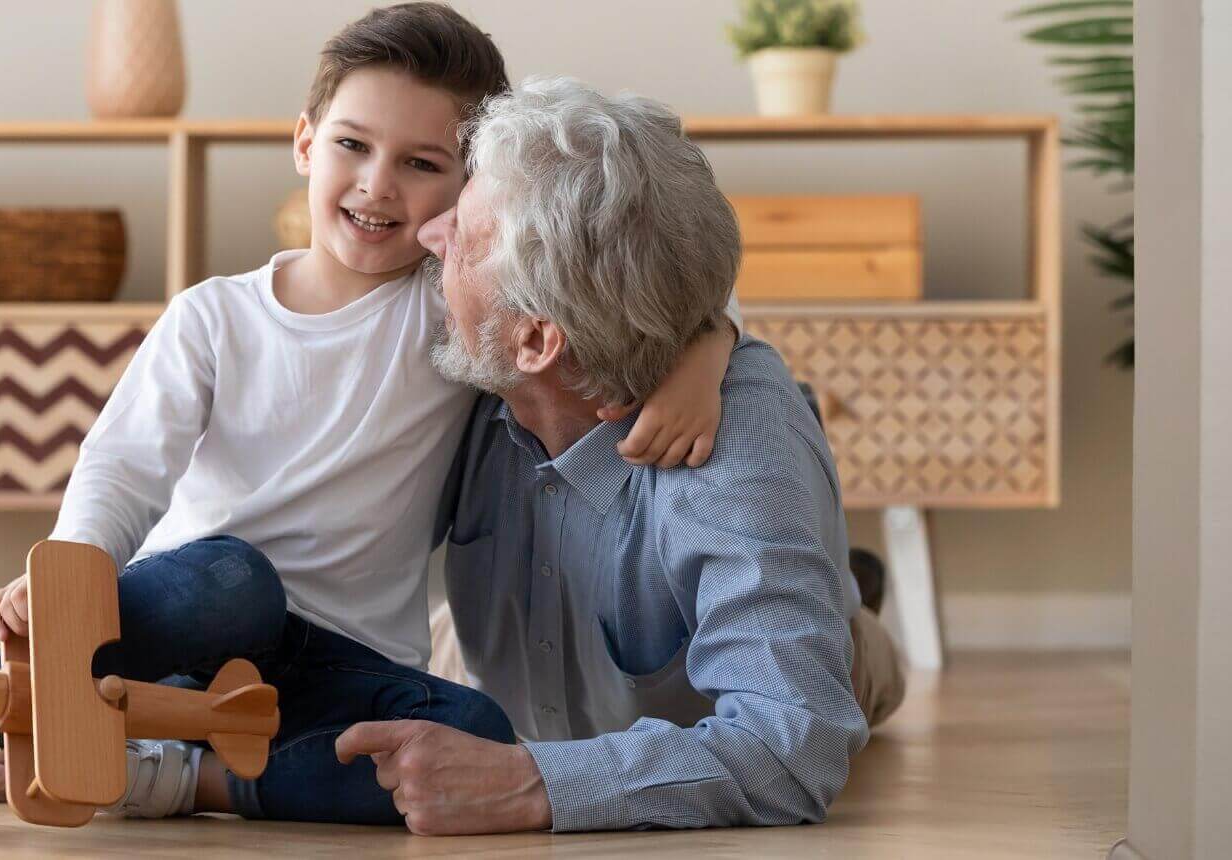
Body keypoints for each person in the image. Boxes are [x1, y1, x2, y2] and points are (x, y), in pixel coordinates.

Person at [0, 5, 737, 841]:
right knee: (234, 575)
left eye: (421, 165)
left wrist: (706, 349)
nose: (377, 186)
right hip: (188, 628)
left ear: (465, 192)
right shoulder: (215, 316)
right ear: (304, 143)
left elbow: (628, 299)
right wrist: (73, 572)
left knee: (477, 737)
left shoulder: (453, 312)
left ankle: (185, 779)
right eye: (352, 146)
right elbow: (123, 466)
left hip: (333, 675)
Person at [331, 76, 907, 835]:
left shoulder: (735, 449)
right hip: (486, 652)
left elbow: (792, 749)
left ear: (537, 340)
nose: (433, 235)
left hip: (797, 639)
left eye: (465, 241)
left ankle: (844, 607)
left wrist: (532, 783)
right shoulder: (464, 361)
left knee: (847, 657)